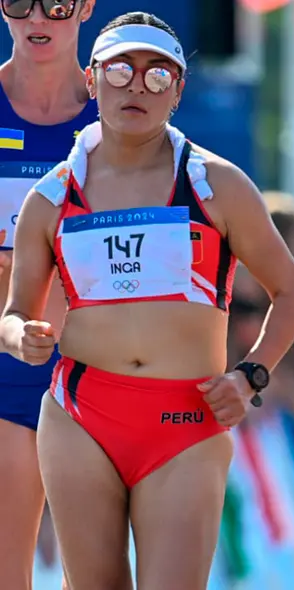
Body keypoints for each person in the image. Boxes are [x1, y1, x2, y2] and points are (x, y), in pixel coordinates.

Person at [0, 12, 294, 589]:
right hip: (81, 414)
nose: (136, 86)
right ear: (93, 82)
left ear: (178, 90)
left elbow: (291, 291)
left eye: (157, 74)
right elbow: (14, 313)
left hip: (186, 416)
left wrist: (250, 376)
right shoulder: (51, 196)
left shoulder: (218, 184)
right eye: (120, 70)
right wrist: (24, 335)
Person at [0, 0, 99, 586]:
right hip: (6, 364)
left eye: (58, 4)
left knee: (91, 575)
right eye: (19, 2)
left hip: (95, 365)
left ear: (86, 5)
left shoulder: (124, 105)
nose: (38, 19)